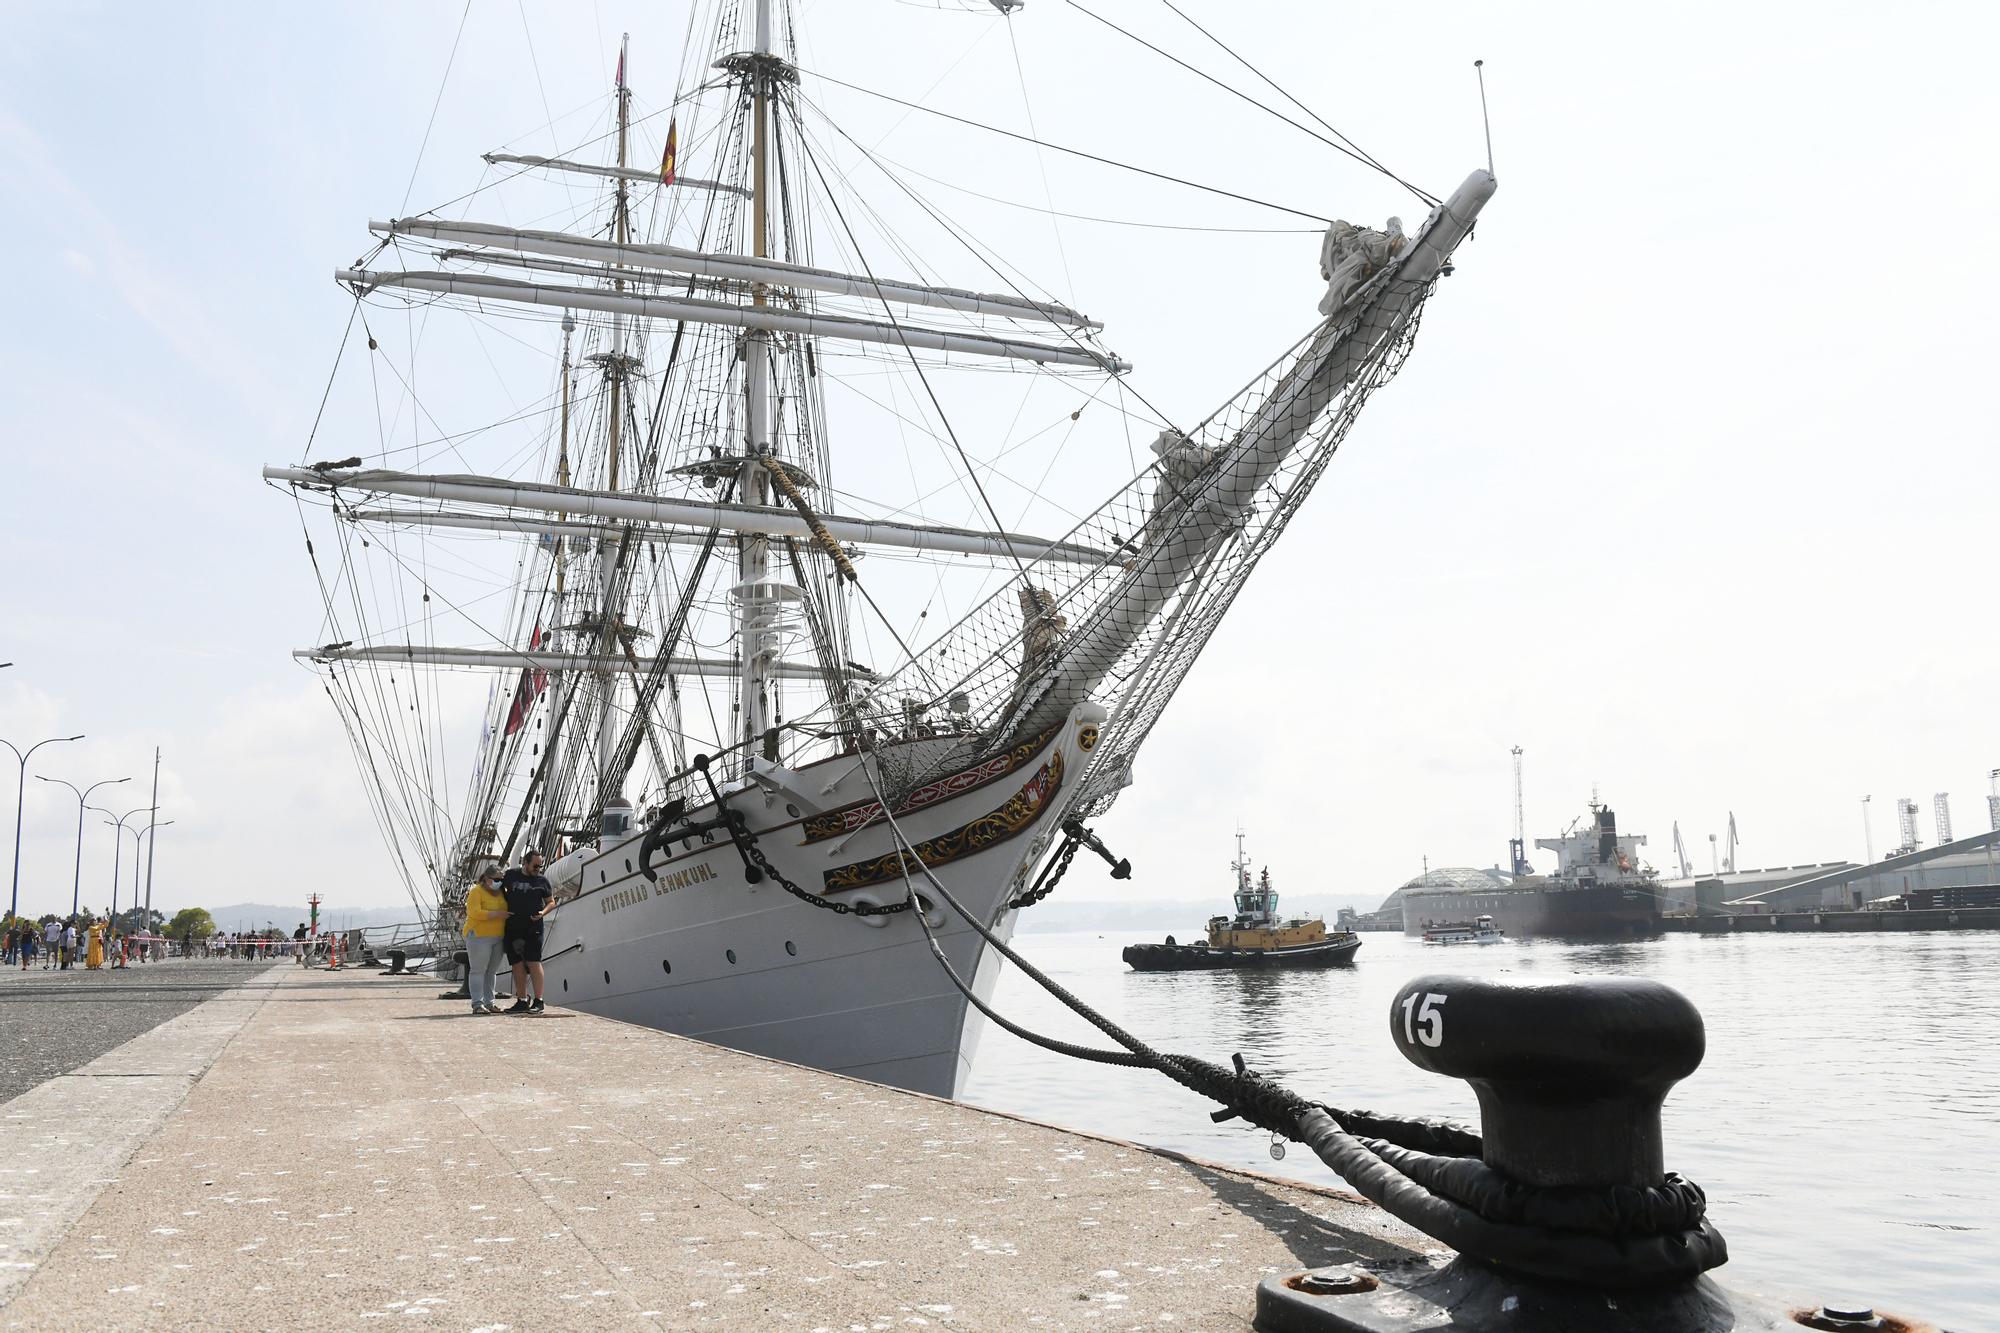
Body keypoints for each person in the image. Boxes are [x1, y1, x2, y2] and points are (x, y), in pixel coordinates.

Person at [500, 851, 553, 1015]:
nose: (538, 869)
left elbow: (551, 901)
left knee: (533, 962)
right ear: (525, 862)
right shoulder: (511, 875)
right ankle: (522, 1000)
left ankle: (539, 1001)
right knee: (516, 964)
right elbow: (498, 888)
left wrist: (543, 913)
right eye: (535, 866)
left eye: (540, 866)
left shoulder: (542, 881)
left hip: (533, 926)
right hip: (513, 926)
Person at [462, 868, 510, 1015]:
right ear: (487, 878)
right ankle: (477, 1004)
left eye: (501, 880)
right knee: (478, 970)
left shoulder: (502, 892)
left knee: (491, 972)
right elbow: (474, 912)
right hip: (479, 936)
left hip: (498, 937)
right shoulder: (476, 891)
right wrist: (497, 914)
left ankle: (490, 1003)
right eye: (496, 880)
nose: (499, 882)